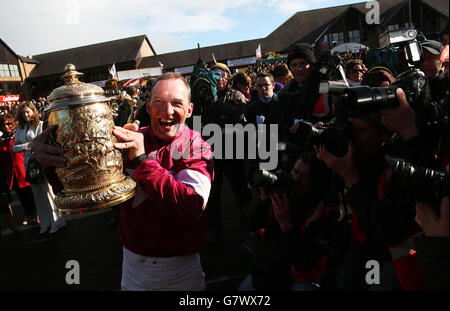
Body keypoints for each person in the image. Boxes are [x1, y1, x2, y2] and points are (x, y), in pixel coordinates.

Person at [31, 73, 214, 291]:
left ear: (190, 109)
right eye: (159, 102)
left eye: (177, 103)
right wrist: (53, 164)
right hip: (132, 267)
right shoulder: (126, 139)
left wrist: (141, 161)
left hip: (179, 271)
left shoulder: (198, 146)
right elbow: (84, 193)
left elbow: (190, 207)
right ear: (148, 107)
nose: (167, 111)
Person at [239, 151, 341, 291]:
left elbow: (303, 262)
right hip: (271, 272)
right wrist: (261, 200)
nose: (296, 179)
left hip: (303, 277)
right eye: (295, 172)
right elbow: (248, 224)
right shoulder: (281, 193)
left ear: (314, 181)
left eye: (304, 176)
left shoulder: (321, 210)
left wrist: (286, 225)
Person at [202, 62, 252, 244]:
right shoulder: (203, 97)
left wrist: (215, 104)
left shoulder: (235, 94)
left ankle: (249, 228)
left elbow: (239, 115)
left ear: (228, 77)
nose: (219, 79)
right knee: (212, 195)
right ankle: (214, 231)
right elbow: (199, 124)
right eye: (215, 75)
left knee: (241, 192)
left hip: (233, 151)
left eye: (222, 75)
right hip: (212, 153)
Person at [12, 102, 65, 234]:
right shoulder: (20, 129)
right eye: (23, 112)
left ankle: (56, 222)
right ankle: (45, 223)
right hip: (29, 166)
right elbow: (14, 148)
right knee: (37, 196)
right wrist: (30, 145)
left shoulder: (40, 125)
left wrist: (26, 146)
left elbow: (43, 142)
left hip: (42, 162)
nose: (25, 115)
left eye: (27, 112)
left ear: (33, 112)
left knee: (48, 193)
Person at [0, 114, 37, 226]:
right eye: (3, 124)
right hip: (11, 175)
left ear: (13, 124)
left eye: (8, 124)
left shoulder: (18, 137)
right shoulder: (1, 141)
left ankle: (37, 214)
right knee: (21, 197)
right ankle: (29, 215)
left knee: (31, 195)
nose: (6, 126)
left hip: (24, 170)